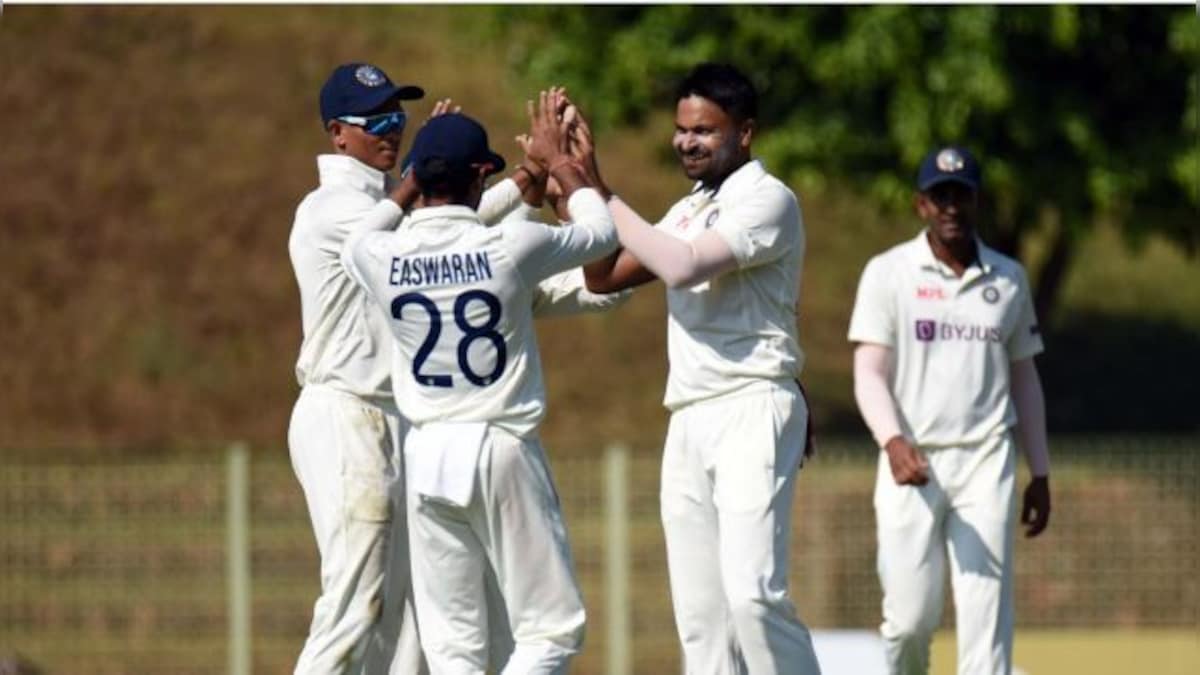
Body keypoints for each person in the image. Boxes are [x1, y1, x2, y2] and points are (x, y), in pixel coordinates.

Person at [342, 96, 617, 673]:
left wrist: (412, 179)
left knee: (453, 650)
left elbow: (358, 239)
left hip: (426, 450)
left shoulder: (380, 255)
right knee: (550, 633)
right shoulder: (509, 247)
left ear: (418, 175)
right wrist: (559, 162)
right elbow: (600, 231)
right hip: (499, 444)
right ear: (480, 175)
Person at [581, 63, 822, 674]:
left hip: (751, 406)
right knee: (702, 618)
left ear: (745, 133)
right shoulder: (689, 208)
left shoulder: (768, 201)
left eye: (705, 131)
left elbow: (685, 267)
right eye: (682, 129)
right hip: (689, 414)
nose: (687, 141)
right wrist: (569, 190)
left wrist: (603, 193)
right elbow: (605, 274)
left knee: (753, 596)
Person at [847, 146, 1052, 675]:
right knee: (910, 621)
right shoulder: (888, 273)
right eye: (941, 196)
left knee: (986, 620)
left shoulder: (1008, 279)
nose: (951, 208)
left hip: (987, 462)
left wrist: (1040, 471)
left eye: (961, 195)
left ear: (976, 201)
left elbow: (1025, 378)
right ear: (921, 205)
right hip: (911, 463)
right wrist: (892, 440)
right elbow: (869, 370)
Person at [287, 61, 429, 675]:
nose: (390, 129)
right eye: (375, 119)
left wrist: (516, 185)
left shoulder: (388, 202)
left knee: (398, 618)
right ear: (337, 133)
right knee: (355, 605)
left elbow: (450, 238)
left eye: (397, 117)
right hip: (345, 413)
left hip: (391, 418)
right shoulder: (331, 207)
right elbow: (407, 244)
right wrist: (420, 181)